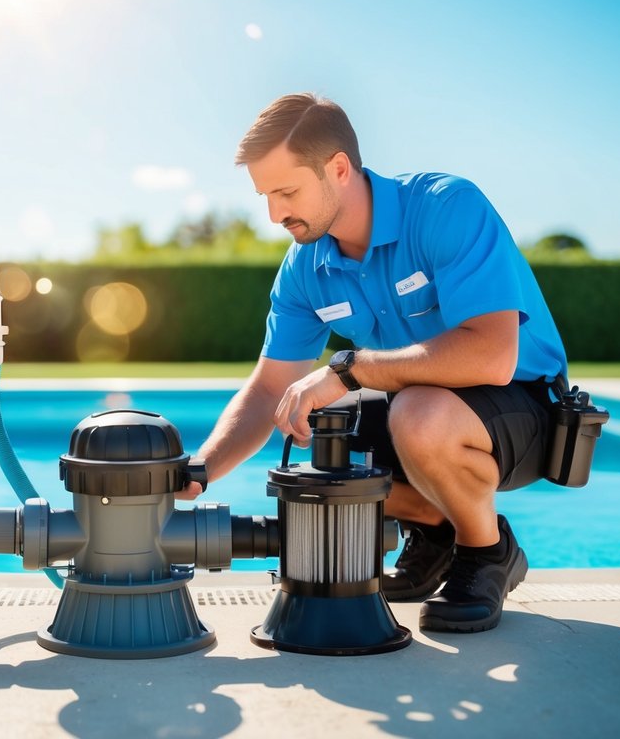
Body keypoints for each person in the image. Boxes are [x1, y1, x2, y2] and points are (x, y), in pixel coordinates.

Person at [180, 92, 568, 634]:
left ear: (338, 168)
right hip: (420, 404)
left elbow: (493, 354)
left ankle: (486, 552)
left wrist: (347, 370)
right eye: (265, 195)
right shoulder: (304, 268)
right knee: (318, 423)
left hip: (523, 405)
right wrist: (201, 470)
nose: (274, 214)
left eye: (287, 191)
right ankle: (432, 531)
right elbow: (271, 389)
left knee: (416, 412)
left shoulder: (445, 208)